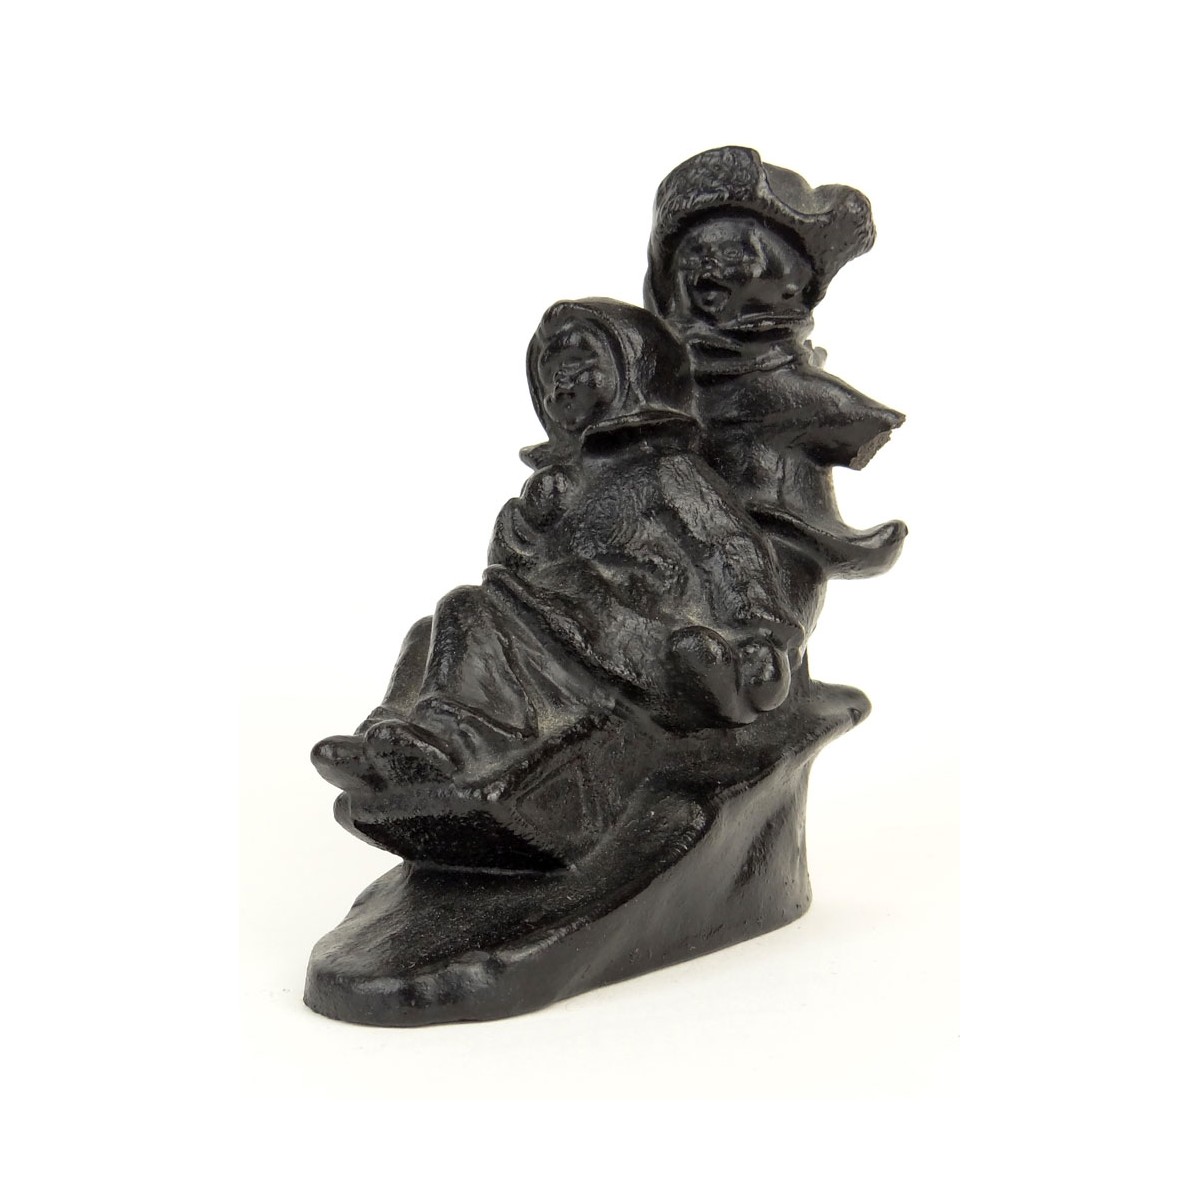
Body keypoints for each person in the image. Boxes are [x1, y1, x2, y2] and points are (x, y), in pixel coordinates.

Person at [336, 299, 806, 790]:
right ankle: (386, 733)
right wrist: (526, 525)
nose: (561, 381)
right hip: (558, 618)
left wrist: (759, 631)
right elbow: (512, 568)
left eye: (581, 364)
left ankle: (458, 739)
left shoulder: (667, 471)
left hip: (622, 632)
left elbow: (727, 546)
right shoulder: (562, 483)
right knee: (429, 632)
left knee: (466, 608)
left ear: (635, 374)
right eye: (549, 374)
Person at [645, 146, 908, 636]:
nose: (709, 265)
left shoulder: (795, 391)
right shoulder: (658, 375)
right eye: (693, 253)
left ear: (791, 281)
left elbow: (840, 416)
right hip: (666, 564)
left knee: (763, 626)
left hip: (777, 554)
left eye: (734, 252)